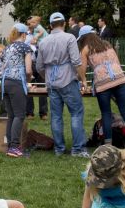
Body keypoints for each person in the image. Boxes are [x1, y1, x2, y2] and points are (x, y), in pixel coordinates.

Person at [80, 32, 125, 153]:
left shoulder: (86, 49)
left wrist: (84, 81)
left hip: (102, 83)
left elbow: (81, 67)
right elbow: (117, 61)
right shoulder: (107, 44)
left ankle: (108, 145)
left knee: (106, 113)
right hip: (119, 79)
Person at [35, 12, 87, 157]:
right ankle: (77, 149)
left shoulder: (43, 41)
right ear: (63, 23)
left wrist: (48, 77)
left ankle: (59, 149)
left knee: (56, 116)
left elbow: (39, 66)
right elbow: (76, 62)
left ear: (50, 25)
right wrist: (83, 79)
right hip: (68, 80)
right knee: (76, 113)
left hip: (52, 83)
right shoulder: (69, 38)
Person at [0, 24, 33, 157]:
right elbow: (29, 69)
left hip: (5, 82)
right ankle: (14, 147)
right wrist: (28, 80)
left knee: (11, 116)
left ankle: (10, 146)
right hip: (17, 82)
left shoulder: (8, 47)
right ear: (24, 35)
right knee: (19, 115)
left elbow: (3, 67)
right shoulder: (25, 47)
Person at [25, 16, 48, 119]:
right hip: (29, 63)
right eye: (29, 24)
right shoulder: (24, 35)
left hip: (41, 61)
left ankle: (43, 113)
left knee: (42, 86)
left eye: (32, 23)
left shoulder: (39, 30)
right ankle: (29, 113)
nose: (31, 25)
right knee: (29, 86)